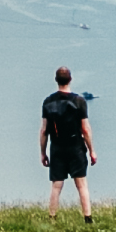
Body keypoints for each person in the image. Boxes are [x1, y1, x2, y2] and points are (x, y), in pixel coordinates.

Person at [39, 66, 95, 219]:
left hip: (57, 147)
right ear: (70, 79)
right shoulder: (79, 101)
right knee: (82, 184)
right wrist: (92, 151)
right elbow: (85, 129)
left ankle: (52, 217)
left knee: (56, 185)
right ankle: (87, 218)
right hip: (76, 146)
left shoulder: (48, 102)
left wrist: (43, 153)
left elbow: (44, 130)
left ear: (56, 80)